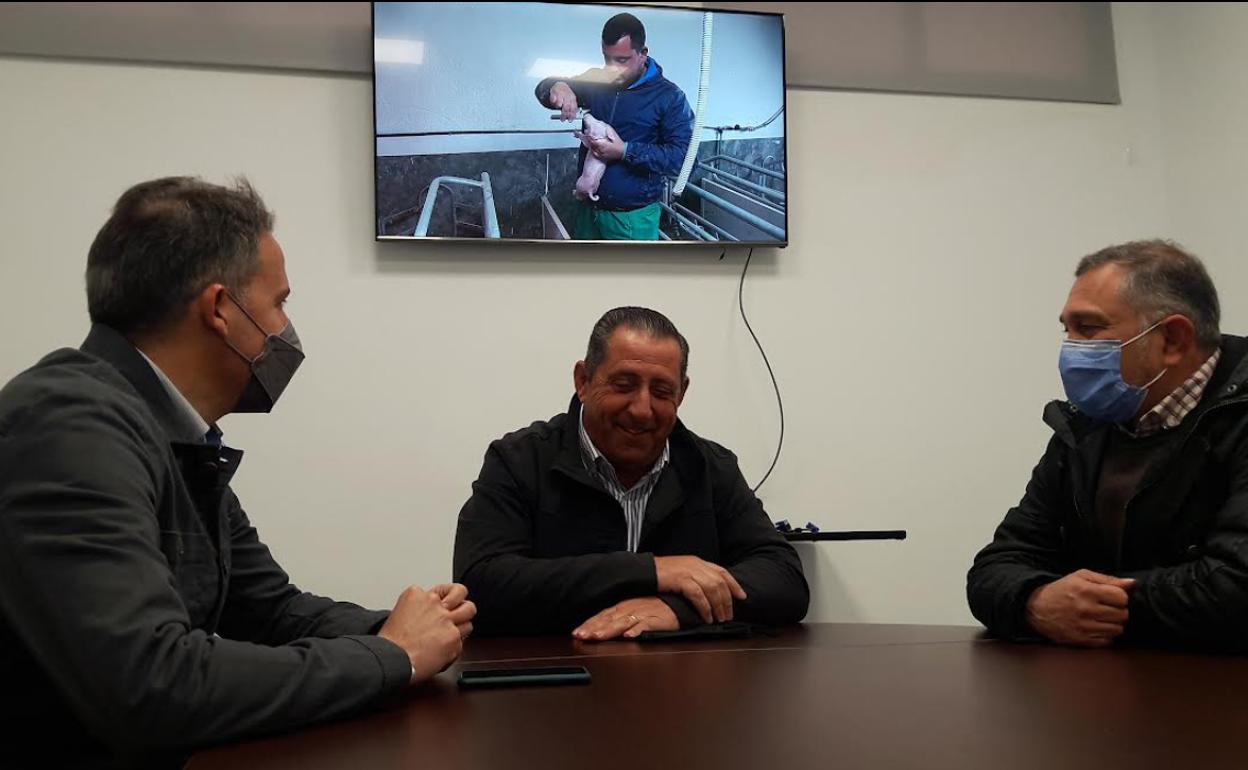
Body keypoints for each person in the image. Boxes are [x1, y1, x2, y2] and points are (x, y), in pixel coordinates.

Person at [0, 177, 475, 768]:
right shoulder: (67, 425)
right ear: (221, 310)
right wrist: (394, 655)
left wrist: (410, 627)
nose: (284, 329)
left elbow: (269, 607)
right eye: (279, 303)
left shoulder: (168, 432)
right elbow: (154, 684)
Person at [453, 307, 808, 639]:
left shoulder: (711, 467)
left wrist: (678, 608)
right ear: (583, 380)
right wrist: (652, 571)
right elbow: (481, 583)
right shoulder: (519, 459)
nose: (642, 409)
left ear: (682, 393)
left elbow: (785, 579)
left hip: (682, 677)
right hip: (550, 674)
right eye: (624, 385)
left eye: (661, 391)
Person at [967, 240, 1248, 650]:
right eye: (1067, 330)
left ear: (1172, 339)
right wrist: (1035, 599)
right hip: (1095, 681)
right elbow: (997, 565)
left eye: (1088, 328)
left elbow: (1236, 587)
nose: (1070, 349)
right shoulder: (1085, 424)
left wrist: (1087, 606)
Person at [535, 12, 694, 241]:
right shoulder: (596, 80)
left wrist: (625, 151)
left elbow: (685, 160)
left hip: (633, 217)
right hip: (588, 208)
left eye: (621, 60)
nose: (612, 69)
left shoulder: (669, 97)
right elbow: (544, 89)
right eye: (606, 58)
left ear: (642, 54)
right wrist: (557, 86)